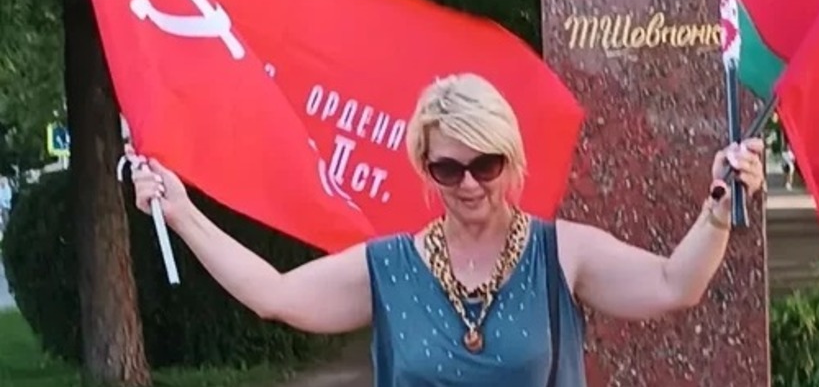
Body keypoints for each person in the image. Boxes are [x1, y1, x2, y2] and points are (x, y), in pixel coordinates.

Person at [128, 73, 765, 387]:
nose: (469, 184)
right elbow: (275, 294)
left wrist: (717, 210)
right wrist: (181, 212)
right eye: (448, 168)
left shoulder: (559, 252)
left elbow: (673, 284)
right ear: (425, 169)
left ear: (510, 160)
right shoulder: (389, 267)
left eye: (485, 165)